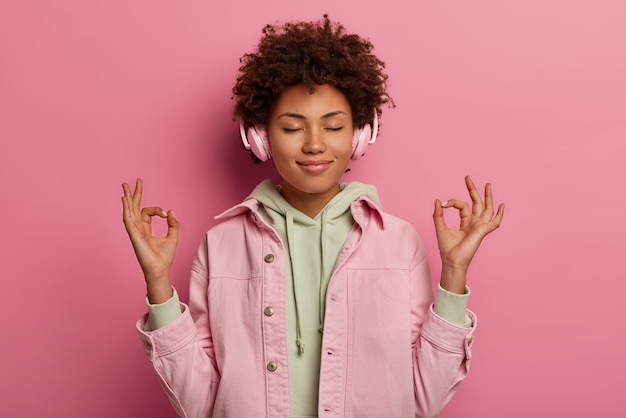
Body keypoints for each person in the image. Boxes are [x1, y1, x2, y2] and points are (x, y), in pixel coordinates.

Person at [122, 15, 504, 418]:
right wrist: (158, 284)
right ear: (261, 136)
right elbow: (199, 404)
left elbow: (424, 400)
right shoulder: (221, 247)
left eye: (334, 126)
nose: (315, 144)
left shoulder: (398, 241)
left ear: (358, 134)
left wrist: (455, 273)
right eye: (292, 127)